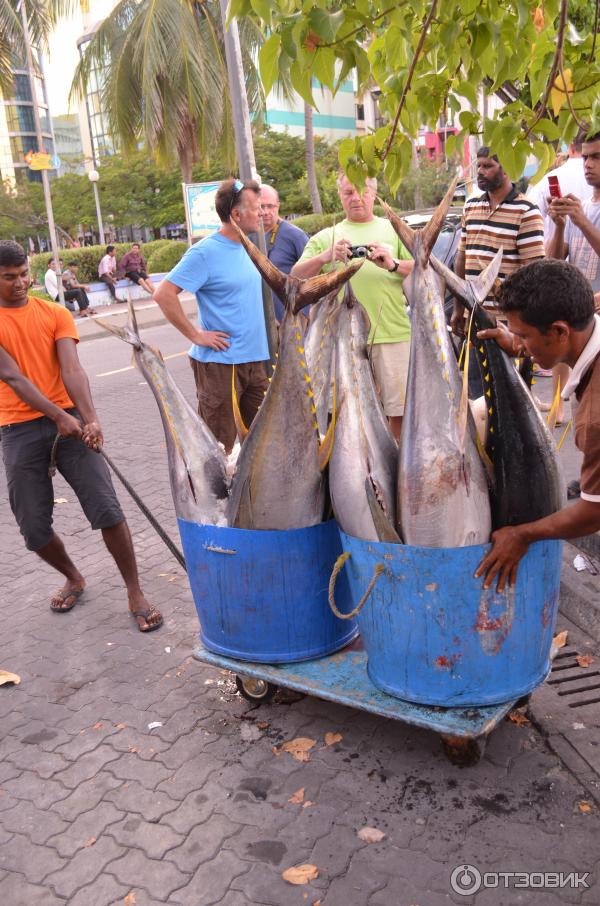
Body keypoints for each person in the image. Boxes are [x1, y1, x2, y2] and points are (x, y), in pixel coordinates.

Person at [0, 240, 162, 632]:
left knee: (107, 507)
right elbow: (12, 375)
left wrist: (90, 419)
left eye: (24, 275)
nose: (20, 283)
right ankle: (73, 576)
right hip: (18, 428)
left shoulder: (54, 313)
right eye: (9, 278)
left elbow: (72, 369)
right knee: (33, 528)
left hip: (69, 420)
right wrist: (57, 416)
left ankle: (135, 591)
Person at [475, 259, 600, 592]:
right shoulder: (586, 323)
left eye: (524, 335)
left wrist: (521, 534)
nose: (521, 343)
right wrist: (517, 343)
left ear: (559, 331)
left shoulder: (595, 416)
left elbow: (593, 511)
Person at [291, 173, 414, 440]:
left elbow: (422, 267)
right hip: (340, 340)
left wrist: (391, 263)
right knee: (344, 413)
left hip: (393, 334)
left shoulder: (394, 229)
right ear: (340, 195)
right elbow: (295, 277)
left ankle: (396, 471)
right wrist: (326, 256)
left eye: (362, 191)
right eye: (348, 192)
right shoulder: (326, 236)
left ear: (374, 194)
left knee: (401, 412)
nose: (356, 198)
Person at [153, 178, 269, 453]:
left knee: (261, 445)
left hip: (254, 361)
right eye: (256, 208)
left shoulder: (249, 247)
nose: (262, 213)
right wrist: (195, 335)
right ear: (236, 215)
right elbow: (163, 294)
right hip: (221, 365)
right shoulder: (205, 252)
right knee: (219, 449)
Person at [527, 130, 592, 419]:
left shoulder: (585, 211)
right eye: (587, 156)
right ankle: (557, 408)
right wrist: (561, 226)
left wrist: (580, 221)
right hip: (580, 316)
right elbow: (554, 260)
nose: (588, 164)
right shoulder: (586, 205)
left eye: (597, 158)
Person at [259, 184, 308, 321]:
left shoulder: (295, 235)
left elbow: (313, 276)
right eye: (261, 206)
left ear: (278, 206)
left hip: (293, 322)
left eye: (270, 206)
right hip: (262, 322)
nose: (266, 211)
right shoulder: (250, 236)